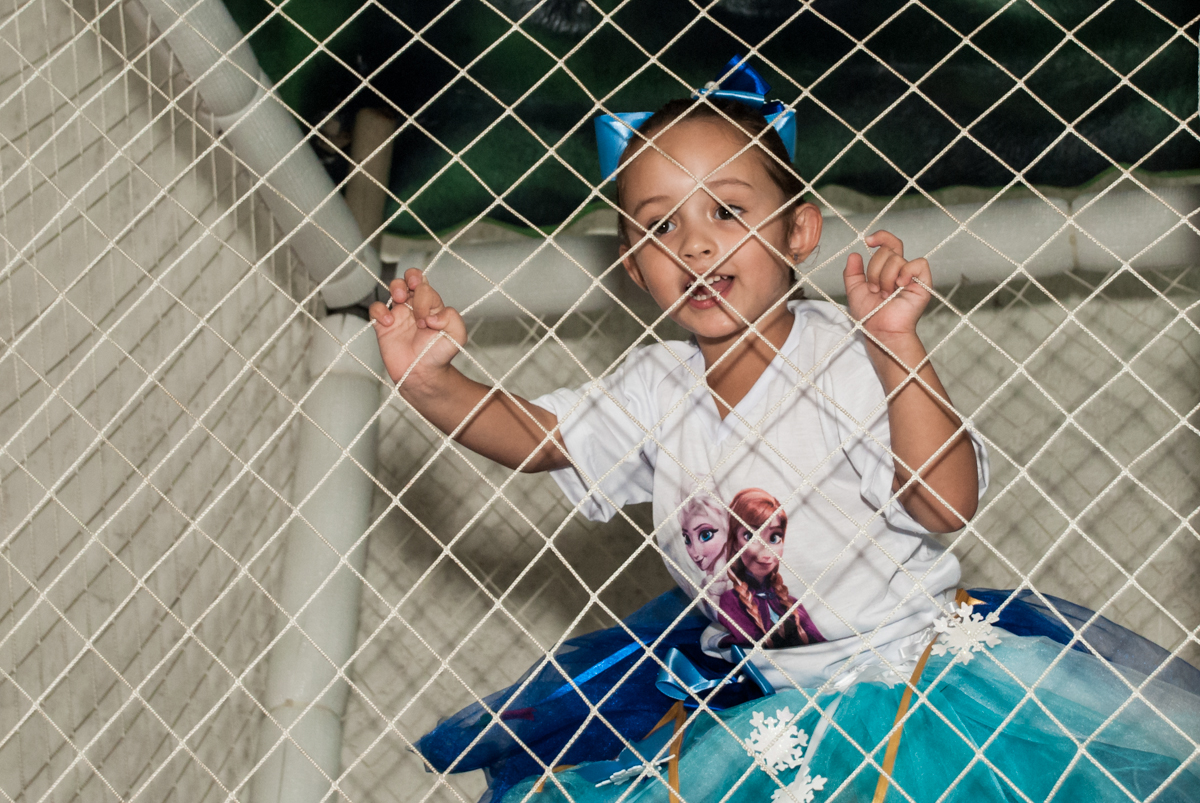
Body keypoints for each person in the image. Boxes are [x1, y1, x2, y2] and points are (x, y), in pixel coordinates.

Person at [372, 64, 1200, 803]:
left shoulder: (844, 354)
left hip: (915, 681)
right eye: (660, 226)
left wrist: (899, 350)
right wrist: (432, 381)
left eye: (728, 211)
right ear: (632, 266)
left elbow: (946, 502)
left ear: (798, 231)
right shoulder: (654, 386)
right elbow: (544, 437)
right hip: (768, 703)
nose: (694, 242)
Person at [717, 487, 823, 649]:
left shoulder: (792, 603)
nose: (765, 551)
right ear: (735, 542)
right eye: (750, 536)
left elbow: (822, 645)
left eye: (774, 538)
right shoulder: (730, 601)